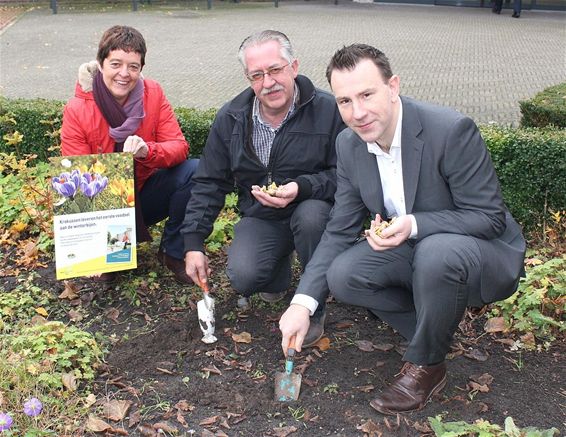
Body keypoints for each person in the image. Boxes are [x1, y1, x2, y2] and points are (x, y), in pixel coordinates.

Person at [279, 44, 526, 415]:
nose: (357, 113)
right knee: (344, 274)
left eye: (366, 94)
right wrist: (303, 303)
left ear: (393, 87)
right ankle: (433, 329)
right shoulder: (349, 145)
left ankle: (428, 365)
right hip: (421, 250)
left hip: (485, 252)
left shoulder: (450, 130)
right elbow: (339, 231)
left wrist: (413, 224)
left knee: (436, 251)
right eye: (345, 101)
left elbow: (488, 217)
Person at [181, 30, 345, 346]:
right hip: (262, 215)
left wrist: (303, 187)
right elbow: (209, 182)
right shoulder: (231, 117)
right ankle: (279, 272)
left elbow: (347, 176)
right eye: (257, 75)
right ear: (248, 78)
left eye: (275, 70)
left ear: (294, 67)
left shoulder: (328, 111)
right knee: (244, 276)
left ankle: (313, 306)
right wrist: (193, 242)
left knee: (311, 219)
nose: (268, 82)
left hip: (313, 209)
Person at [61, 25, 198, 284]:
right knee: (107, 276)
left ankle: (172, 252)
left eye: (133, 66)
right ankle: (114, 250)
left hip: (143, 192)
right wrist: (90, 249)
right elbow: (76, 178)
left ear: (141, 68)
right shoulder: (77, 108)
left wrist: (148, 151)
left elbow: (179, 146)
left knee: (195, 171)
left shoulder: (153, 94)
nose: (124, 74)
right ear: (101, 64)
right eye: (116, 64)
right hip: (104, 202)